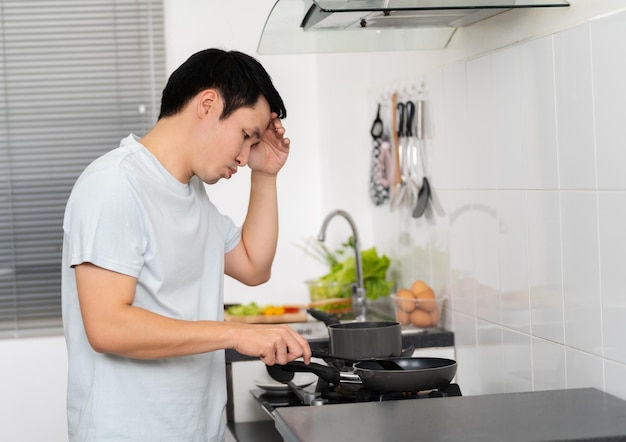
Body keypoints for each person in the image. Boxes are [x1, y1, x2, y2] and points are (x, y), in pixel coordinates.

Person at [61, 48, 312, 441]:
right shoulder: (114, 185)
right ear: (208, 104)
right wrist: (235, 333)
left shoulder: (191, 193)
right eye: (246, 135)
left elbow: (253, 265)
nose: (245, 156)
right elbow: (108, 326)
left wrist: (265, 175)